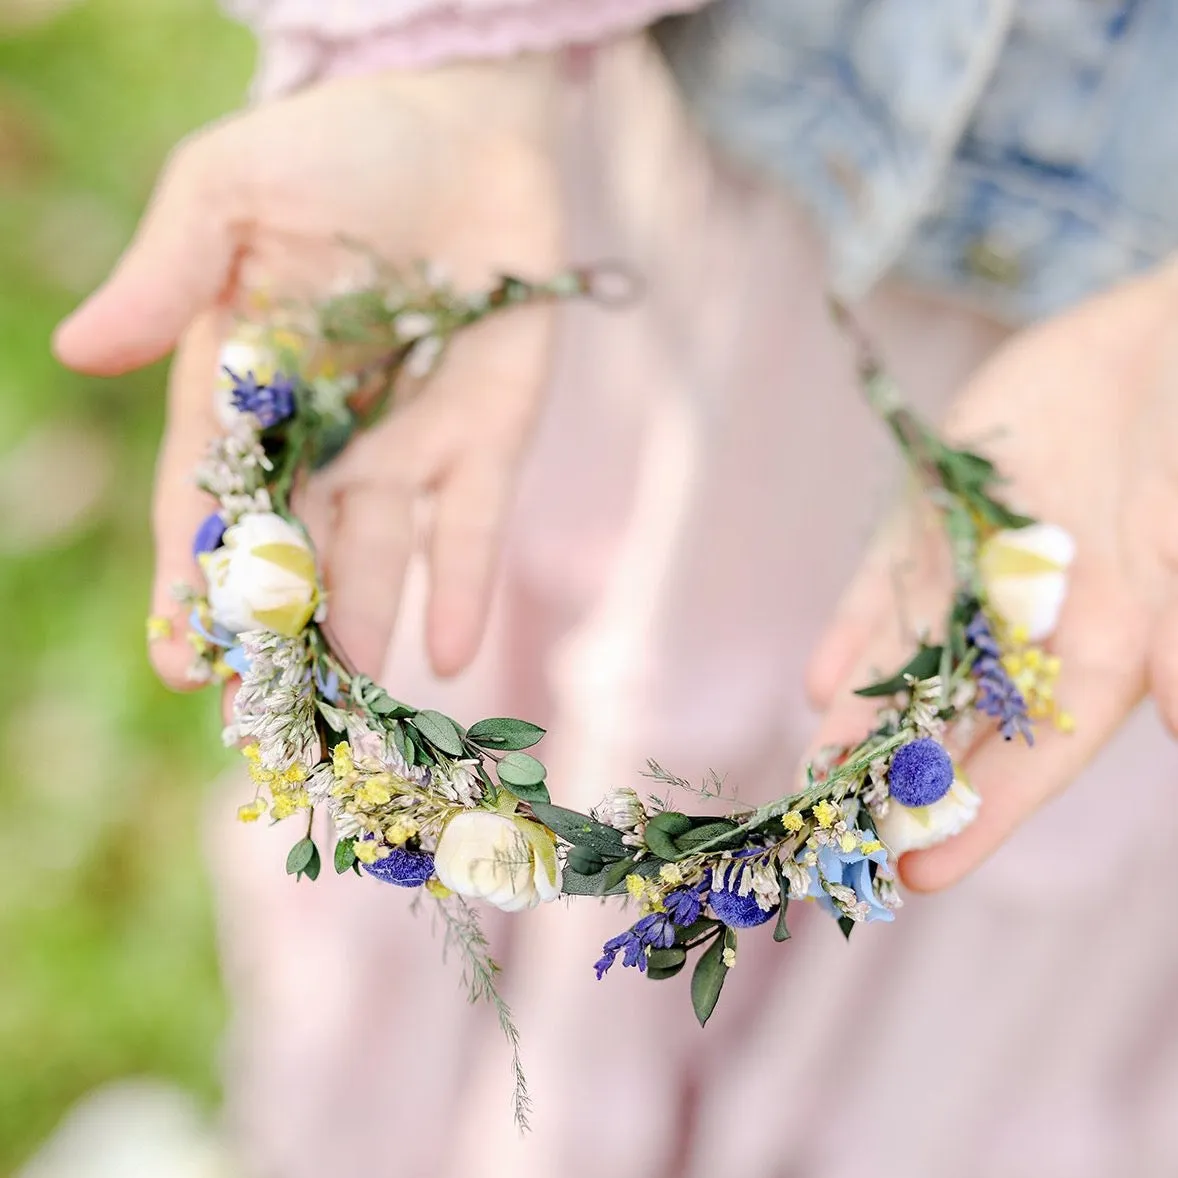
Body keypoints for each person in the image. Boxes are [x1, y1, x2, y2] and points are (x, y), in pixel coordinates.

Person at [54, 1, 1178, 1174]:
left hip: (1119, 422)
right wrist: (434, 50)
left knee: (950, 992)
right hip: (666, 192)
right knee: (498, 660)